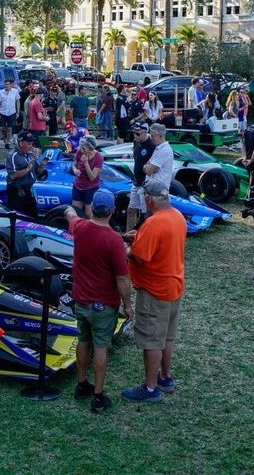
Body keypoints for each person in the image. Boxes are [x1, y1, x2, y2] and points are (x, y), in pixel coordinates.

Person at [65, 193, 134, 414]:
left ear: (92, 207)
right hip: (103, 304)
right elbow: (122, 278)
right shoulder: (113, 239)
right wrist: (128, 305)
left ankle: (82, 383)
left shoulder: (80, 228)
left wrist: (68, 211)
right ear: (112, 211)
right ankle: (98, 395)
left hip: (81, 300)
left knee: (83, 340)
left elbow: (70, 216)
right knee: (101, 347)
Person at [121, 179, 186, 403]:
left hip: (154, 291)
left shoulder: (153, 223)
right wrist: (138, 238)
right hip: (173, 286)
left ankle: (150, 389)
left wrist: (127, 248)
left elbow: (139, 256)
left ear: (149, 199)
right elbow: (159, 246)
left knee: (151, 341)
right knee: (167, 336)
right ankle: (165, 378)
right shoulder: (177, 216)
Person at [6, 135, 45, 218]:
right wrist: (27, 169)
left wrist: (42, 165)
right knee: (17, 218)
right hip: (16, 192)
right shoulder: (13, 156)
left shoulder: (31, 155)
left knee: (34, 217)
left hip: (29, 191)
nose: (31, 146)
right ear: (20, 143)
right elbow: (12, 176)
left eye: (32, 144)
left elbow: (37, 172)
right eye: (29, 144)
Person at [126, 123, 156, 231]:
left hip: (145, 184)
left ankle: (147, 235)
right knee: (131, 209)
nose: (135, 136)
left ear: (145, 132)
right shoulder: (137, 143)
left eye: (138, 134)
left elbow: (153, 166)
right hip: (137, 182)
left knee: (145, 213)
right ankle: (128, 234)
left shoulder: (151, 146)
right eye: (134, 133)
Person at [71, 136, 103, 218]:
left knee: (88, 213)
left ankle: (92, 228)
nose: (82, 150)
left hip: (90, 187)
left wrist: (86, 163)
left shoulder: (98, 157)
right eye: (81, 148)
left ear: (90, 148)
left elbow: (92, 177)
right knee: (76, 211)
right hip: (78, 186)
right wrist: (75, 170)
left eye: (84, 149)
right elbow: (74, 165)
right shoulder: (79, 152)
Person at [143, 123, 174, 193]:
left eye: (152, 136)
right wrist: (148, 167)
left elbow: (148, 171)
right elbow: (145, 168)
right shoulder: (158, 149)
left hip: (158, 192)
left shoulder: (165, 150)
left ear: (160, 136)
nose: (150, 138)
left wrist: (149, 167)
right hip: (153, 189)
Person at [0, 79, 20, 149]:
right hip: (2, 112)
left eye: (7, 84)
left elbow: (17, 101)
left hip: (11, 112)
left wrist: (17, 112)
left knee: (9, 128)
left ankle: (7, 143)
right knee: (0, 128)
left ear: (10, 85)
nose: (6, 86)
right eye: (5, 84)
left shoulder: (15, 92)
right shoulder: (1, 92)